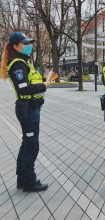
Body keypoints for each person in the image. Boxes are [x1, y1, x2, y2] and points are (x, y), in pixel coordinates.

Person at [0, 32, 50, 192]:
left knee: (27, 143)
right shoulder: (17, 65)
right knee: (31, 145)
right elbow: (24, 89)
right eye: (25, 43)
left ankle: (22, 179)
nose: (29, 45)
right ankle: (29, 181)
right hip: (27, 109)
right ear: (15, 46)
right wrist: (45, 85)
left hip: (31, 107)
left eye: (29, 42)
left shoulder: (23, 63)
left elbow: (30, 83)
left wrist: (43, 81)